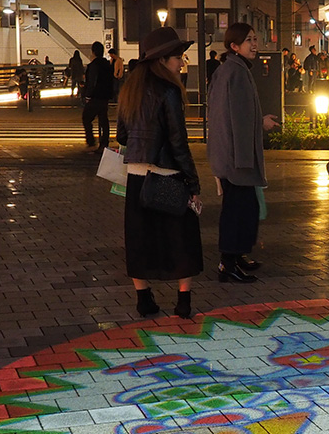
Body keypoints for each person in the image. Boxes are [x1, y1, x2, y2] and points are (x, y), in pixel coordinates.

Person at [116, 26, 204, 319]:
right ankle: (184, 302)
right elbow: (179, 143)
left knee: (139, 238)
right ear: (164, 59)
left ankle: (144, 300)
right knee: (182, 235)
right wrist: (193, 183)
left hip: (136, 176)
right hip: (166, 174)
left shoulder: (130, 89)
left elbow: (122, 137)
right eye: (178, 57)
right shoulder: (169, 91)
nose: (182, 63)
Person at [207, 23, 280, 282]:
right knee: (238, 210)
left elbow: (237, 115)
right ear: (233, 46)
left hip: (234, 156)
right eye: (248, 40)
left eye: (255, 39)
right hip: (237, 158)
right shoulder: (235, 72)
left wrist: (259, 121)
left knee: (243, 209)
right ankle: (228, 263)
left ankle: (235, 257)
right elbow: (234, 120)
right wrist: (242, 160)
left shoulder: (232, 70)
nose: (254, 44)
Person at [82, 41, 115, 152]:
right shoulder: (107, 65)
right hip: (105, 95)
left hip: (95, 96)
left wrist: (88, 95)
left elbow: (92, 82)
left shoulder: (93, 66)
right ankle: (104, 143)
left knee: (86, 117)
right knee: (103, 120)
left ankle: (91, 141)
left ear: (93, 52)